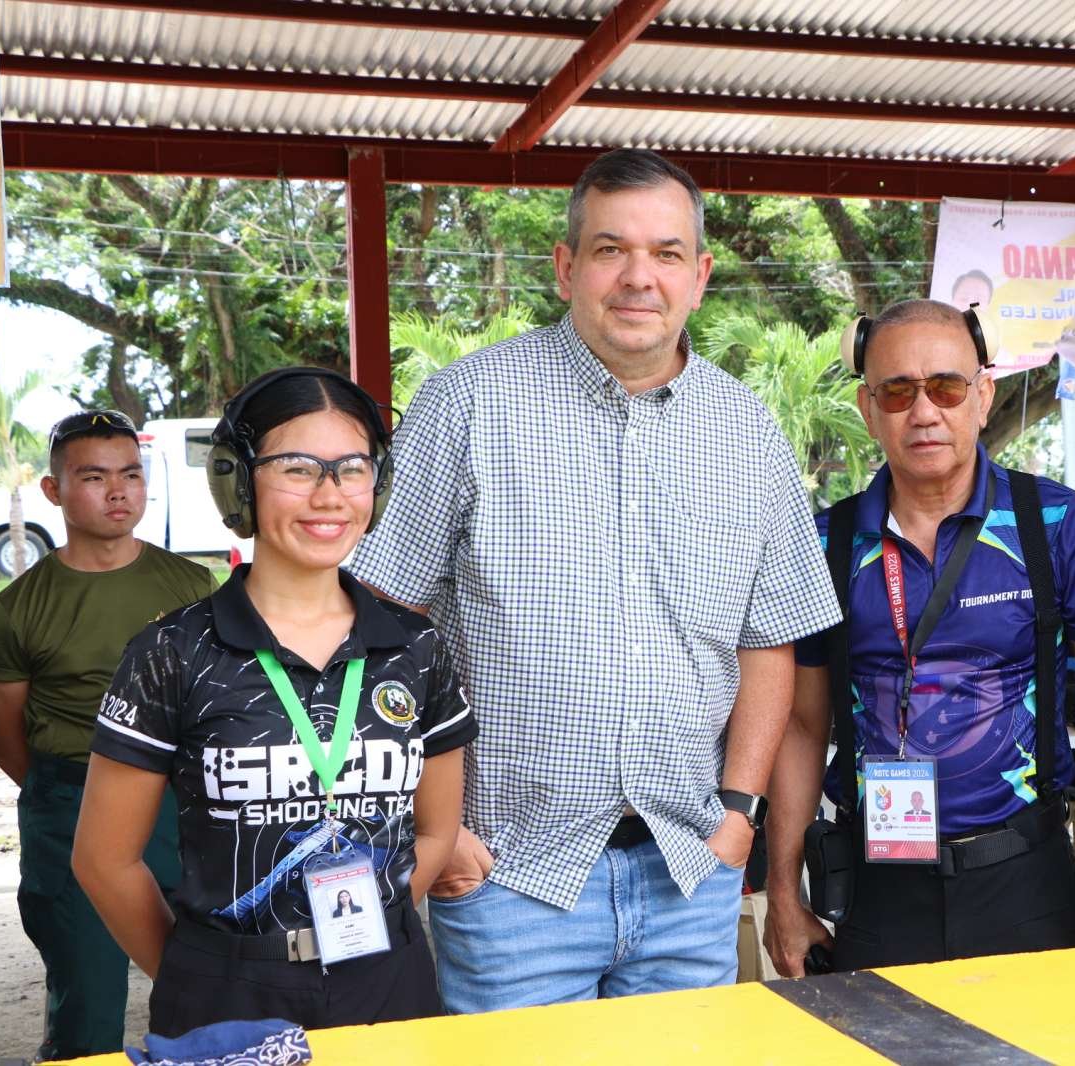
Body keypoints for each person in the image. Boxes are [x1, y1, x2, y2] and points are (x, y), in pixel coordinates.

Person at [349, 148, 839, 1011]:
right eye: (611, 250)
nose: (638, 278)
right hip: (511, 879)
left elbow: (770, 643)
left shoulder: (748, 432)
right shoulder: (469, 404)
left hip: (691, 873)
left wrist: (739, 817)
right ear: (568, 267)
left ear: (701, 275)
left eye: (667, 253)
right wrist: (445, 834)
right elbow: (384, 621)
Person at [71, 368, 473, 1035]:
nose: (329, 495)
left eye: (351, 469)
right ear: (237, 482)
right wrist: (195, 971)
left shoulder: (415, 647)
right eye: (296, 468)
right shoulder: (173, 651)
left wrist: (364, 929)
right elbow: (103, 859)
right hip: (226, 989)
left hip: (387, 981)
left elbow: (434, 833)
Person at [763, 299, 1075, 975]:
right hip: (877, 889)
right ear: (869, 410)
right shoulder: (826, 543)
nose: (923, 412)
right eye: (897, 392)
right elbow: (802, 728)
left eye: (947, 387)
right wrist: (784, 895)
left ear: (983, 396)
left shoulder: (1054, 524)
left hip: (1027, 878)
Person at [0, 410, 213, 1061]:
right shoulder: (16, 609)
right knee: (86, 996)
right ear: (53, 491)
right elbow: (6, 740)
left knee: (207, 991)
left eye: (131, 474)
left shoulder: (193, 588)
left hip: (184, 801)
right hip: (72, 803)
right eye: (94, 476)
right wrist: (87, 800)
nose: (118, 492)